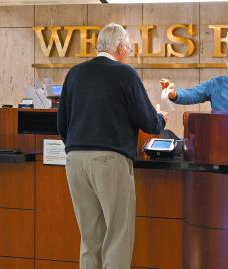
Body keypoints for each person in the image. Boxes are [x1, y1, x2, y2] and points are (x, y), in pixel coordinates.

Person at [57, 23, 168, 269]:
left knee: (90, 237)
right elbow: (149, 121)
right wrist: (162, 120)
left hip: (75, 160)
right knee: (118, 234)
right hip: (109, 160)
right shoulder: (124, 73)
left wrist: (79, 148)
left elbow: (61, 122)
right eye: (127, 48)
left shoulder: (74, 73)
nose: (127, 53)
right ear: (119, 47)